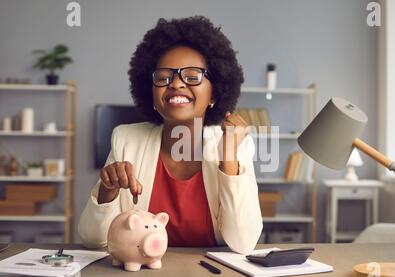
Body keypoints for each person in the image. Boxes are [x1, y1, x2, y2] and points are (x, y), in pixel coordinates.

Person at [78, 16, 263, 254]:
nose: (176, 84)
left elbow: (243, 243)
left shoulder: (237, 145)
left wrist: (228, 158)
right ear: (152, 95)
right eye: (164, 77)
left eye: (193, 76)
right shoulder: (126, 139)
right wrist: (108, 191)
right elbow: (93, 240)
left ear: (214, 94)